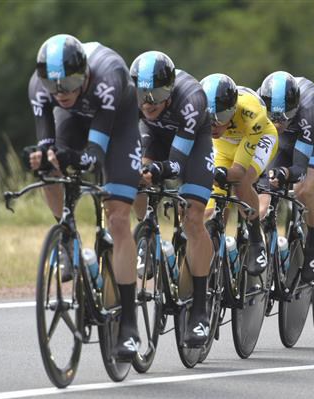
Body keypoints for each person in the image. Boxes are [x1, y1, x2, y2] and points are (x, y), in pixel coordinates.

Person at [22, 34, 142, 359]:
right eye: (54, 86)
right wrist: (43, 157)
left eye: (71, 83)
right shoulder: (40, 86)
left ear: (85, 74)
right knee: (50, 166)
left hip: (117, 124)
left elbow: (93, 156)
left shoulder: (109, 75)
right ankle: (67, 238)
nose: (61, 92)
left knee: (117, 217)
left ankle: (129, 324)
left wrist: (72, 158)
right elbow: (47, 146)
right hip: (75, 121)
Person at [129, 51, 214, 347]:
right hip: (153, 136)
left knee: (192, 218)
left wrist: (158, 168)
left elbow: (176, 164)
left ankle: (201, 310)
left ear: (171, 90)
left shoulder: (190, 98)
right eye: (143, 94)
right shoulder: (134, 100)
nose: (149, 101)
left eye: (157, 94)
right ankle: (146, 237)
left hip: (192, 146)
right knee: (136, 177)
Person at [257, 71, 314, 283]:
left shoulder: (308, 107)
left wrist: (285, 173)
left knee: (304, 190)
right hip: (282, 143)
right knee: (263, 196)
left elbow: (299, 168)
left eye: (285, 116)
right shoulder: (258, 103)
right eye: (273, 116)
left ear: (296, 107)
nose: (278, 123)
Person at [200, 73, 278, 275]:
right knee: (211, 208)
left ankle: (255, 240)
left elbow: (237, 172)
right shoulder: (197, 109)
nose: (214, 125)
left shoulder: (252, 114)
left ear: (233, 111)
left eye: (221, 117)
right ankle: (216, 249)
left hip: (257, 137)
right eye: (208, 119)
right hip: (224, 145)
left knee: (239, 182)